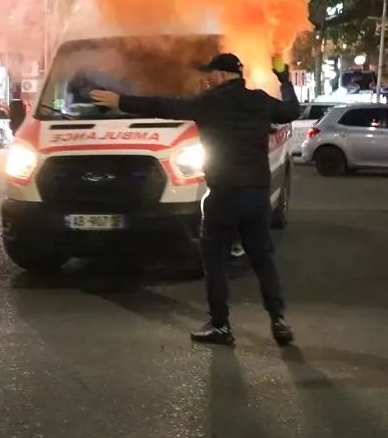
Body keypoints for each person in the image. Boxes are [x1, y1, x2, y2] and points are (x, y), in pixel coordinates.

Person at [91, 53, 301, 347]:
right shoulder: (259, 100)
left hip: (224, 195)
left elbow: (162, 105)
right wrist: (284, 79)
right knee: (262, 258)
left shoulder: (208, 102)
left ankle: (220, 325)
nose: (207, 78)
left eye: (211, 73)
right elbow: (292, 110)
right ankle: (278, 319)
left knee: (214, 260)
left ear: (224, 75)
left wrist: (119, 101)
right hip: (255, 195)